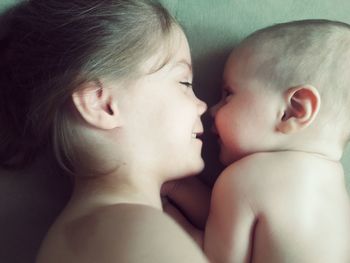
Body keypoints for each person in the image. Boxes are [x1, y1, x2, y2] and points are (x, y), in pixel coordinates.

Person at [0, 1, 209, 262]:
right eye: (184, 82)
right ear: (102, 103)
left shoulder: (86, 232)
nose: (202, 105)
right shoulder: (133, 230)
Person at [164, 19, 350, 263]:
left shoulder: (244, 177)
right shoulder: (334, 190)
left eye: (229, 94)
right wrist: (180, 188)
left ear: (292, 111)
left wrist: (165, 214)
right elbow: (228, 221)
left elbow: (214, 257)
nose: (212, 110)